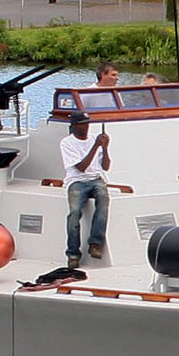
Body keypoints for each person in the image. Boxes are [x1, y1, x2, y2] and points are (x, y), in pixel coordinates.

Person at [59, 110, 110, 266]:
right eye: (81, 125)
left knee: (103, 199)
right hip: (76, 182)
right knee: (74, 213)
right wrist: (95, 146)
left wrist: (105, 148)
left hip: (95, 179)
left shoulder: (95, 140)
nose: (85, 128)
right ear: (73, 126)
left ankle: (95, 243)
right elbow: (81, 167)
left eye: (87, 124)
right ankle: (73, 254)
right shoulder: (67, 143)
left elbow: (106, 166)